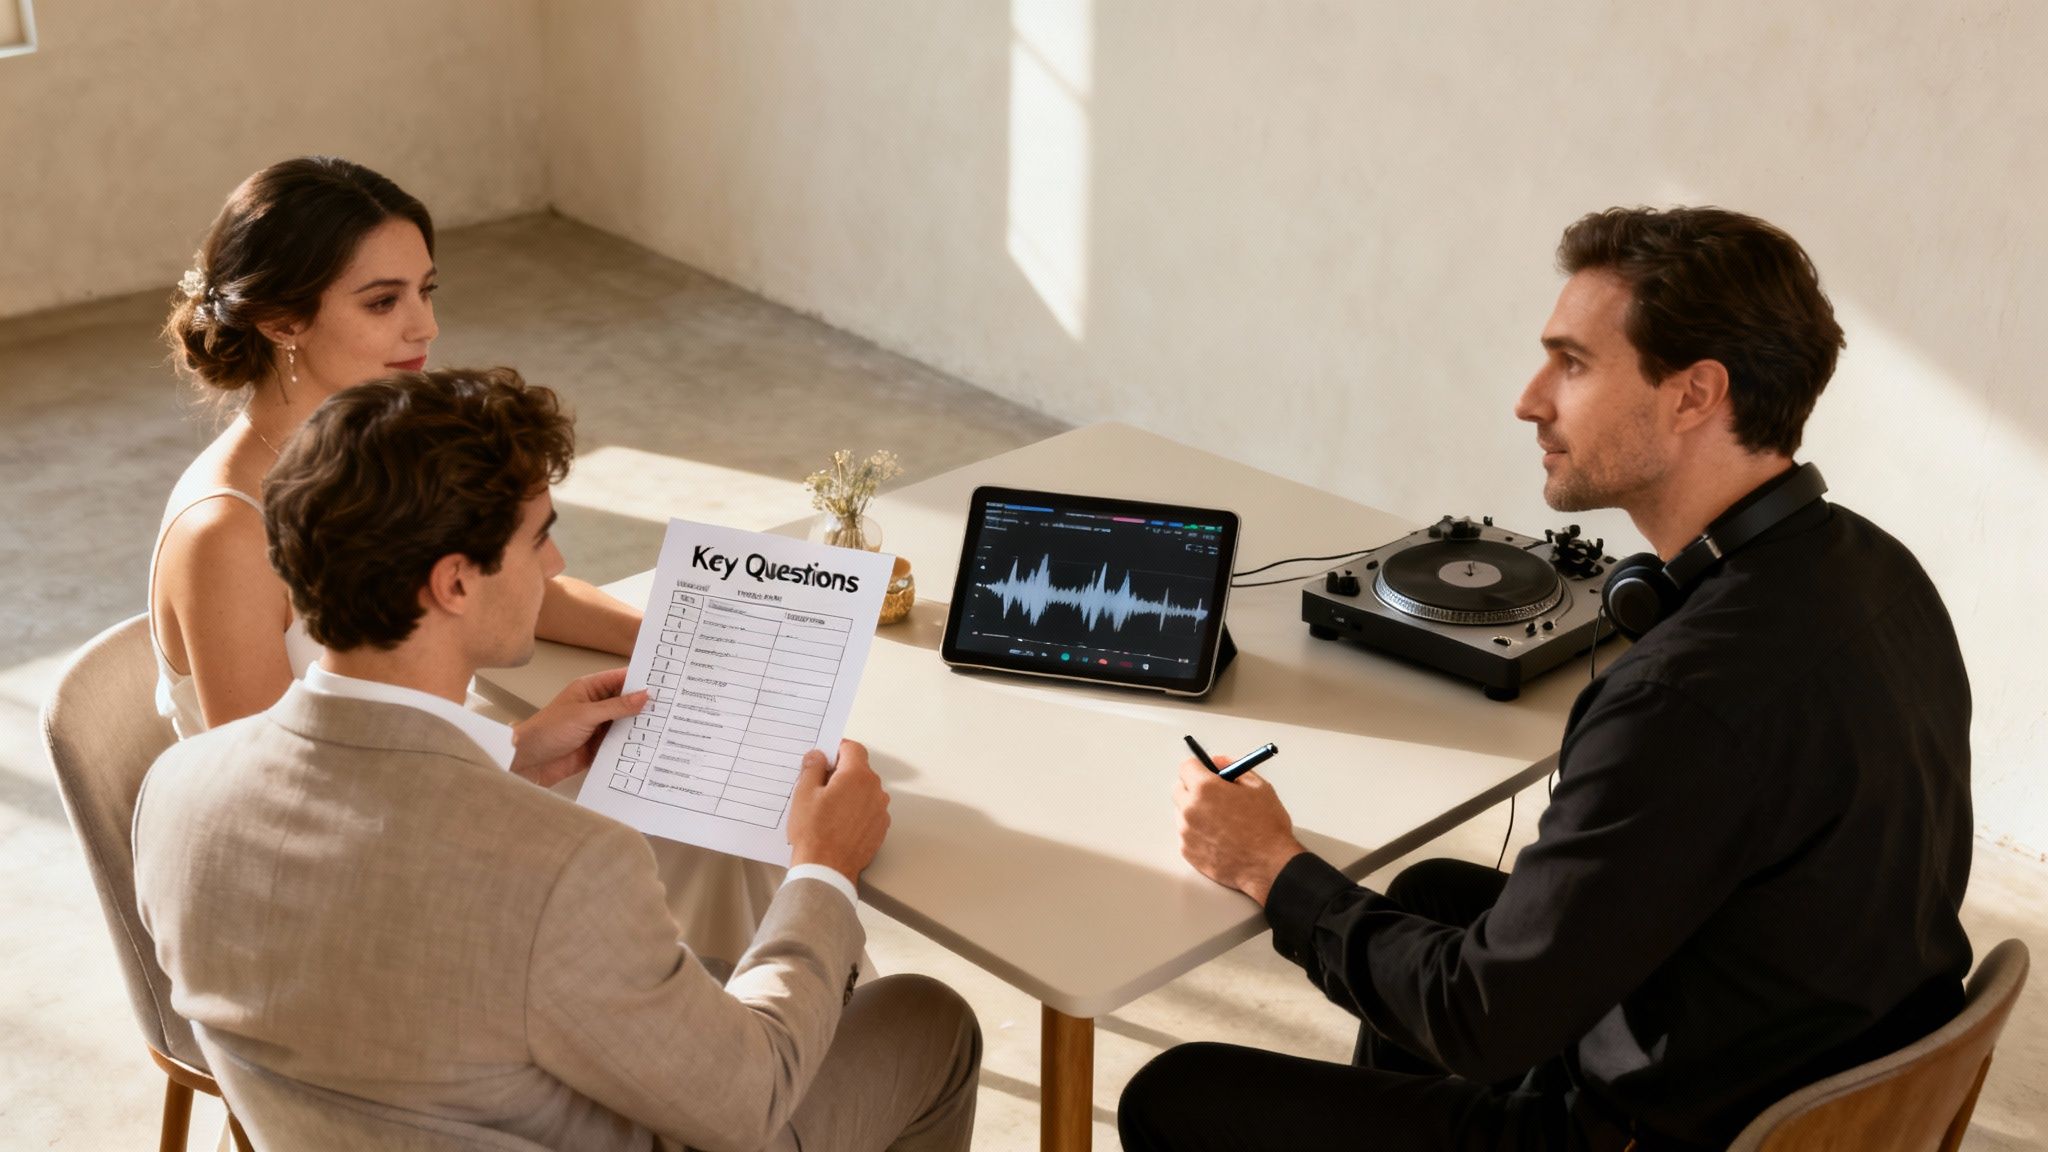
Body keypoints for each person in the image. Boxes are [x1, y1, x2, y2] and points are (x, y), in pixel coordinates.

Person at [1118, 207, 1973, 1152]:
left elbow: (1480, 1021)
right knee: (1440, 892)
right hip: (1797, 1051)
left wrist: (1269, 868)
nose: (1531, 400)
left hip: (1657, 1130)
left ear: (1694, 396)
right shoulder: (1878, 570)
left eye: (1572, 364)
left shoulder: (1679, 701)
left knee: (1174, 1092)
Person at [133, 368, 981, 1151]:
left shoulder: (176, 792)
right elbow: (750, 1096)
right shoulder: (561, 868)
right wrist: (823, 871)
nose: (558, 565)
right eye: (540, 537)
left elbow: (377, 896)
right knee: (926, 1018)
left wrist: (505, 756)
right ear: (456, 583)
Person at [151, 156, 775, 964]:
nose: (424, 327)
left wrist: (673, 640)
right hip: (336, 891)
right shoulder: (225, 536)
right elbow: (286, 801)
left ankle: (749, 1041)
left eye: (426, 290)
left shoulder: (375, 442)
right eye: (383, 301)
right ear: (280, 319)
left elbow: (500, 578)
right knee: (687, 833)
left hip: (419, 782)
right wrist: (507, 769)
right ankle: (745, 1050)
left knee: (715, 803)